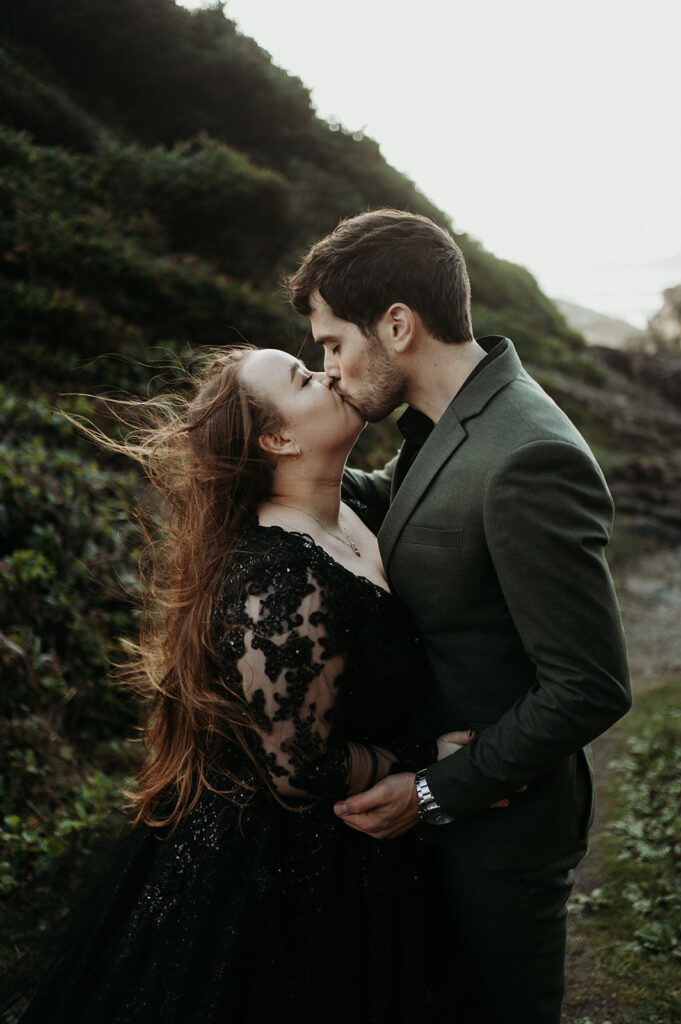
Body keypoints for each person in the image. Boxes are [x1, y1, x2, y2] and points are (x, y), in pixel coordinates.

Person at [15, 344, 474, 1024]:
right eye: (303, 378)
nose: (326, 373)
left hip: (362, 857)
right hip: (286, 877)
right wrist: (427, 761)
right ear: (277, 438)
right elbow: (298, 768)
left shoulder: (350, 513)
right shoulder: (280, 577)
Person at [285, 208, 632, 1024]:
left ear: (397, 325)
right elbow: (410, 508)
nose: (327, 369)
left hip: (496, 837)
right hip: (422, 813)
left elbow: (588, 685)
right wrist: (271, 490)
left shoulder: (528, 455)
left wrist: (435, 792)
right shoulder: (455, 415)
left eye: (334, 342)